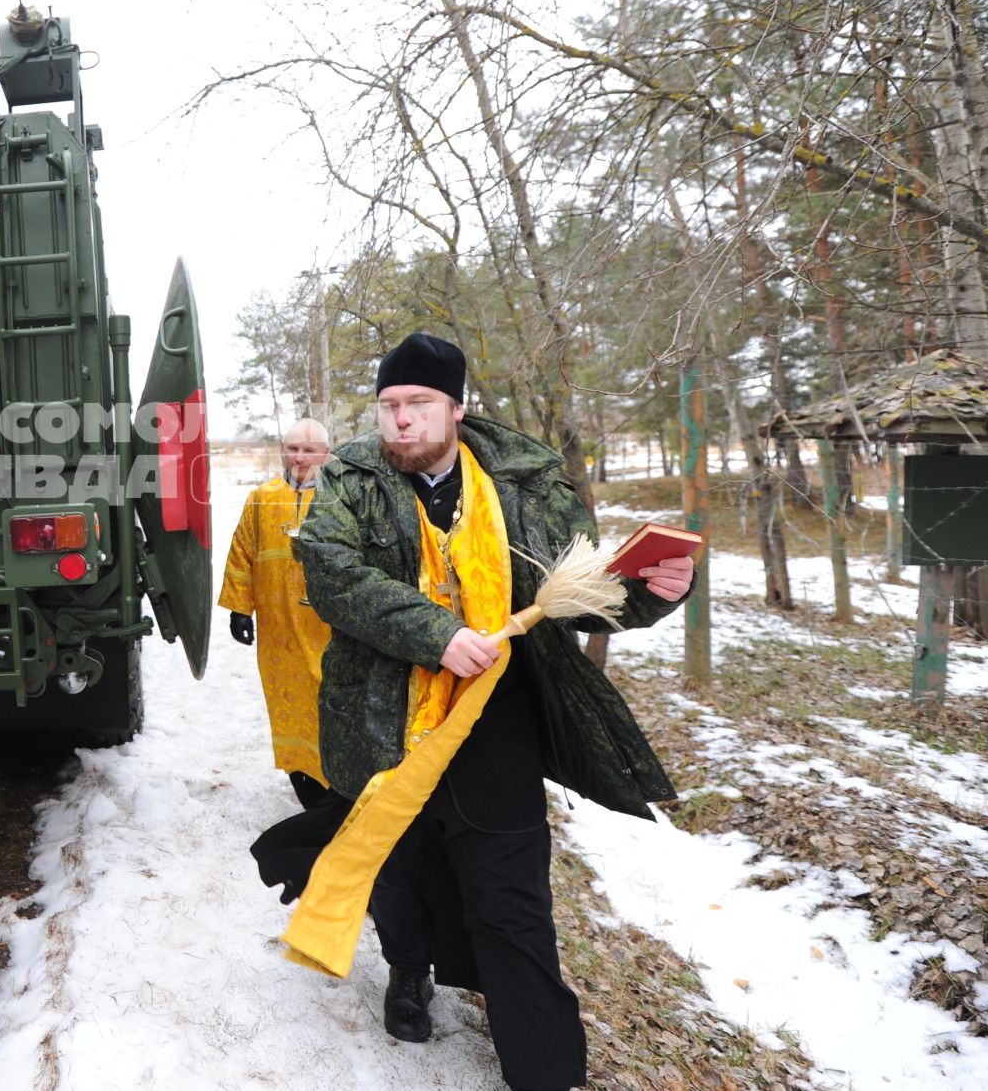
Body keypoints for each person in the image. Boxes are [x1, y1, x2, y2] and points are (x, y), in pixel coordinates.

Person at [256, 332, 694, 1091]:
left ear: (456, 407)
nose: (400, 420)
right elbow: (331, 571)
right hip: (379, 714)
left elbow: (577, 590)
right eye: (390, 405)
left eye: (419, 404)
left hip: (498, 719)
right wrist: (436, 634)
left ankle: (545, 1068)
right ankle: (407, 971)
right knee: (398, 865)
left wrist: (656, 593)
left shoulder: (522, 483)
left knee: (511, 890)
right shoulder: (352, 477)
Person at [219, 418, 335, 806]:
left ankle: (340, 788)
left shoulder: (342, 499)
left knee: (331, 706)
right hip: (279, 631)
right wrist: (239, 609)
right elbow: (242, 553)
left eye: (309, 450)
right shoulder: (261, 499)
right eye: (292, 449)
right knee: (288, 706)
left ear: (326, 454)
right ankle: (305, 786)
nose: (299, 457)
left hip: (331, 630)